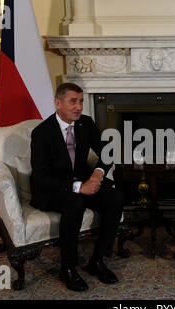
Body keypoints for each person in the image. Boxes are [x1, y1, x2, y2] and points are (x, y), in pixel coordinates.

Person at [30, 83, 124, 292]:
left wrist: (98, 174)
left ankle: (97, 261)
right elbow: (41, 177)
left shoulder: (86, 124)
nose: (79, 107)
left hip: (84, 181)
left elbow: (107, 152)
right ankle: (68, 267)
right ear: (58, 103)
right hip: (53, 189)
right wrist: (79, 187)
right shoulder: (42, 133)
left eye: (81, 101)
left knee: (115, 198)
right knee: (75, 202)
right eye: (73, 101)